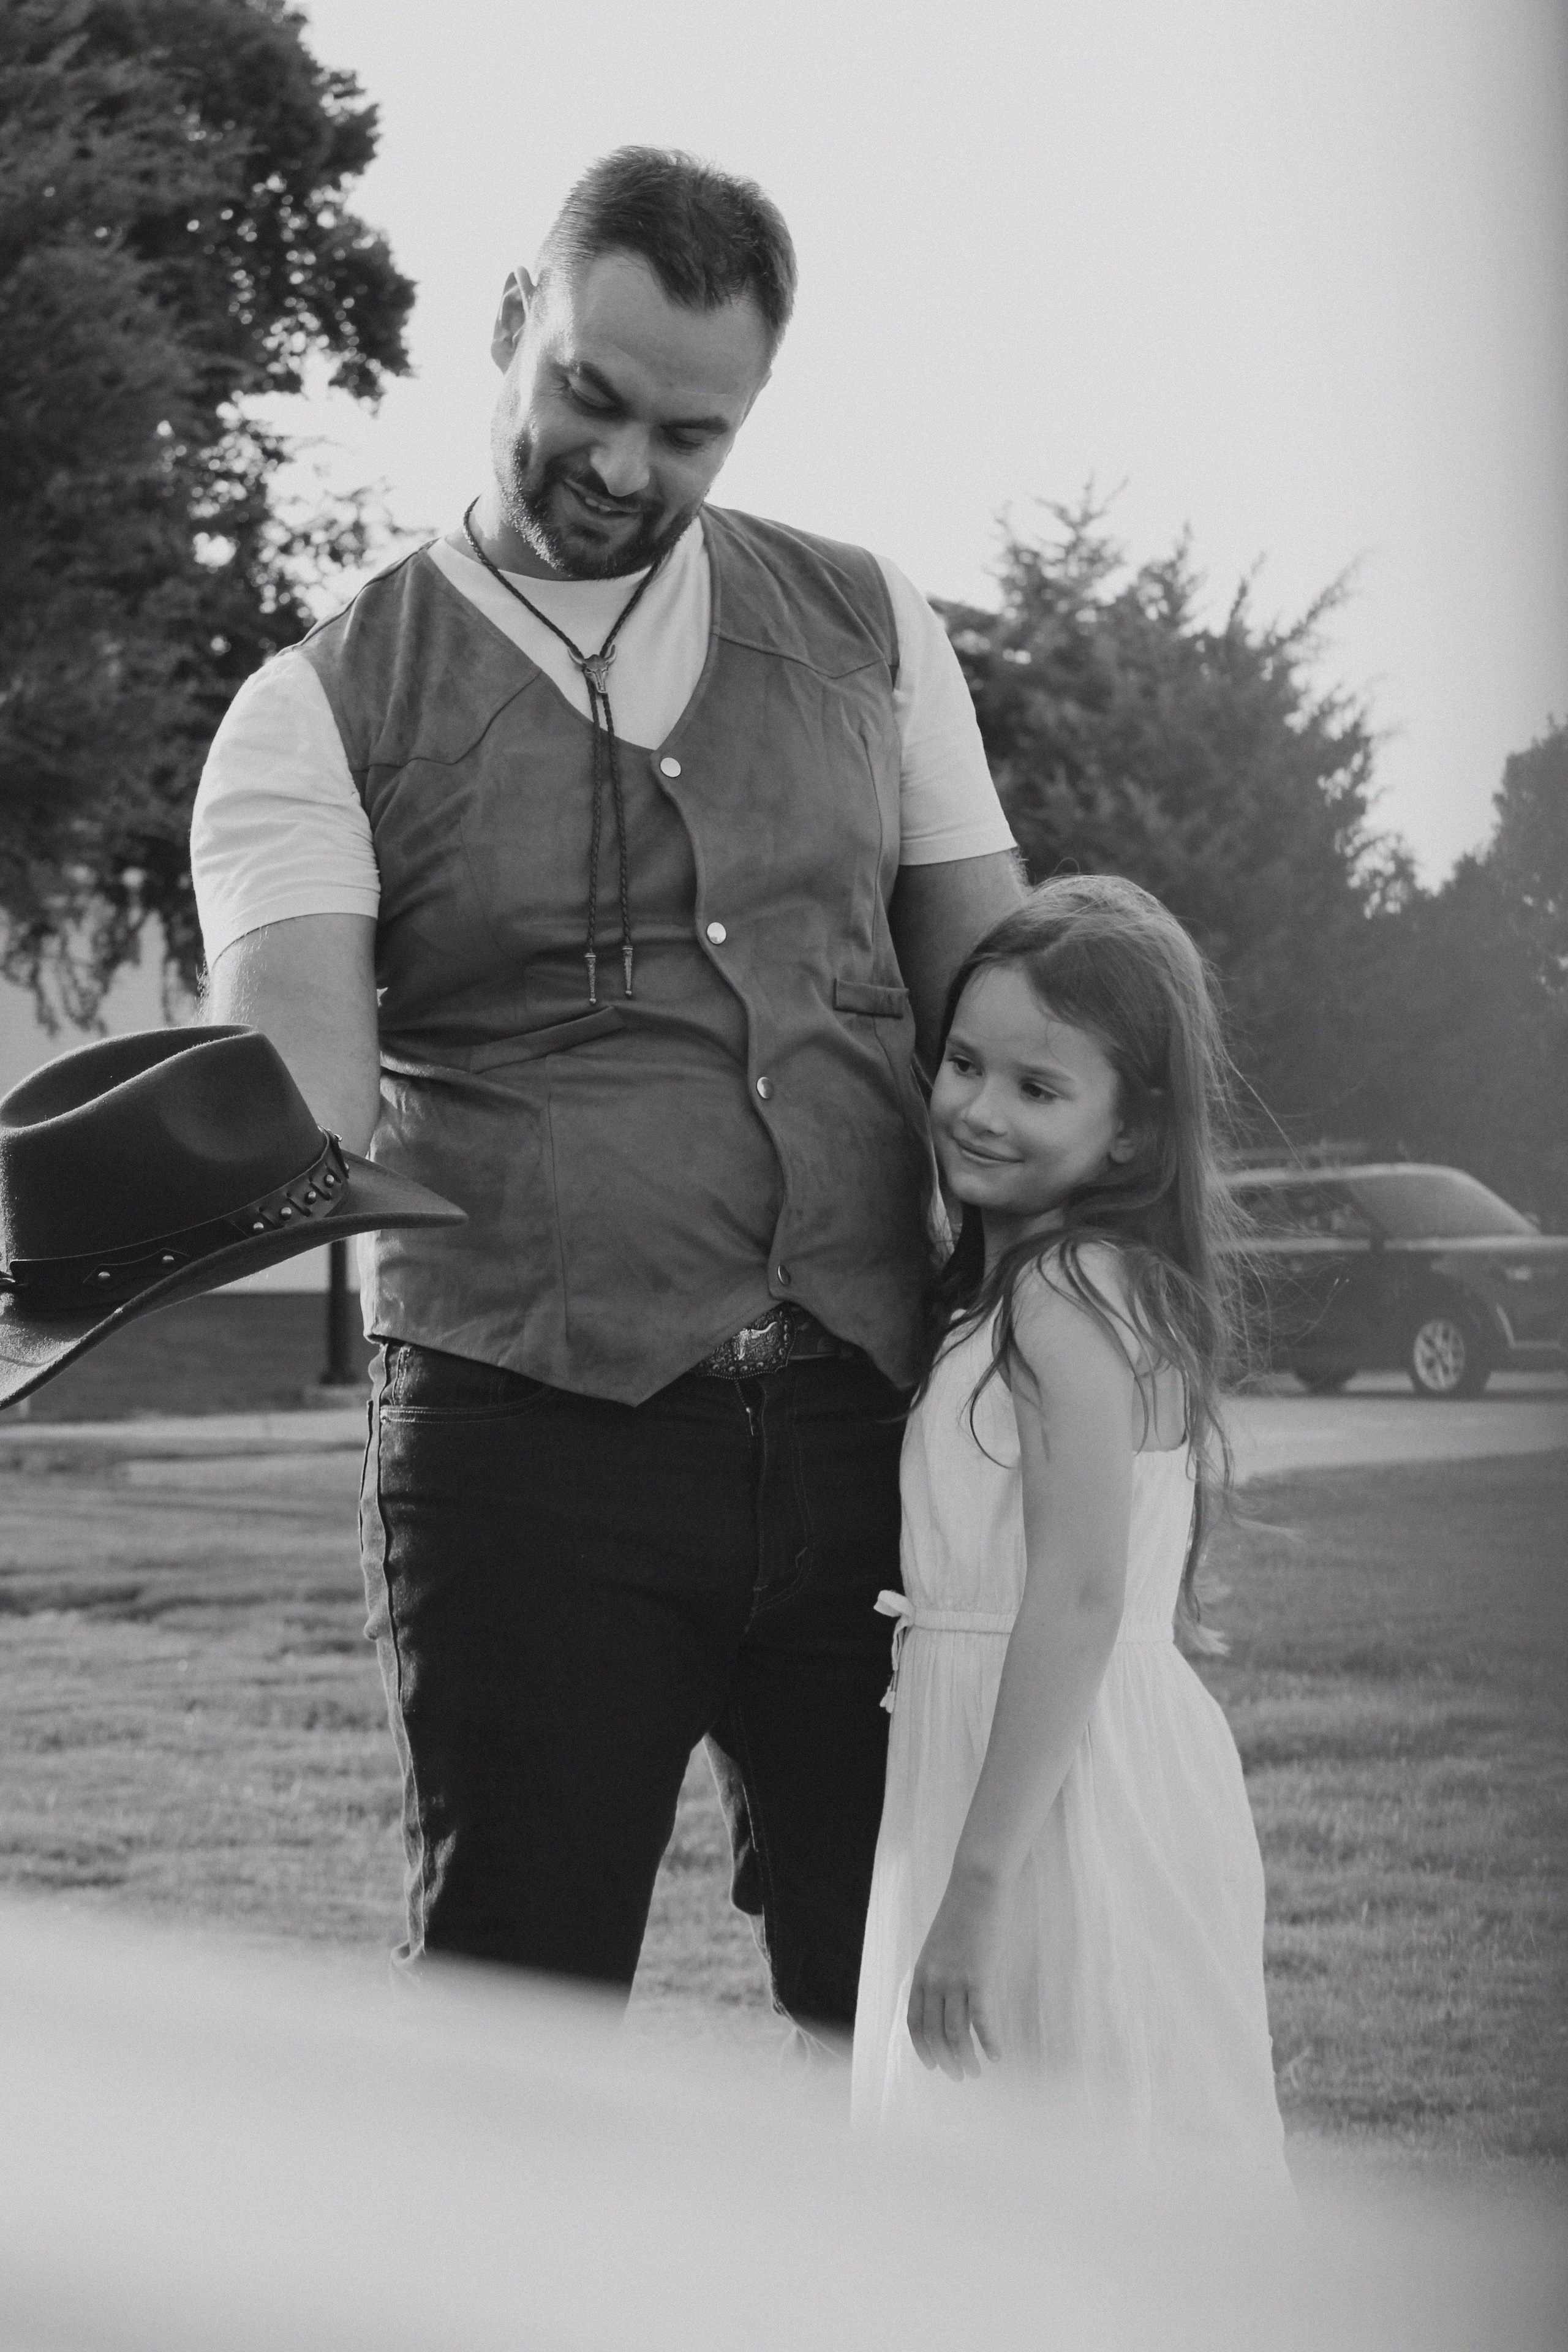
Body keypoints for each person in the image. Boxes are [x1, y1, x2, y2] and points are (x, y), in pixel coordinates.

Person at [189, 147, 1021, 2037]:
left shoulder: (873, 627)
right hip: (530, 1443)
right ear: (509, 327)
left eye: (689, 432)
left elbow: (1006, 998)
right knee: (520, 2022)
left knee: (905, 2015)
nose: (626, 465)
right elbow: (299, 1100)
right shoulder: (311, 713)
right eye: (589, 393)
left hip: (874, 1425)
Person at [851, 876, 1289, 2174]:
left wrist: (975, 1885)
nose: (976, 1109)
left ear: (1128, 1134)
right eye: (965, 1064)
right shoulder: (1036, 1288)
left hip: (1055, 1790)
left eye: (1036, 1089)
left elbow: (1080, 1595)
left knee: (1054, 2149)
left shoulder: (1065, 1298)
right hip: (1016, 1756)